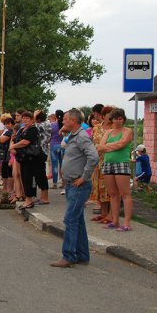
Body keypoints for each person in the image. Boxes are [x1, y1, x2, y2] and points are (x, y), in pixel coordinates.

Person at [50, 108, 99, 268]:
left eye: (65, 119)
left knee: (70, 219)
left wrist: (84, 177)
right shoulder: (73, 135)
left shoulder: (82, 137)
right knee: (77, 220)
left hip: (79, 185)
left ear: (73, 121)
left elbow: (94, 157)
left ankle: (68, 256)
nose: (62, 122)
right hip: (72, 184)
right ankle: (82, 255)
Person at [97, 108, 133, 231]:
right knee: (112, 194)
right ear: (112, 120)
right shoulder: (108, 132)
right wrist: (112, 146)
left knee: (125, 193)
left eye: (120, 118)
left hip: (121, 163)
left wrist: (107, 147)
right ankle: (115, 220)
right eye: (116, 118)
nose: (118, 120)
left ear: (123, 119)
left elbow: (122, 144)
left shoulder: (127, 131)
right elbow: (100, 147)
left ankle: (127, 222)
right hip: (108, 164)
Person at [10, 111, 49, 209]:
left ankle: (30, 199)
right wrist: (13, 146)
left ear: (32, 120)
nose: (25, 120)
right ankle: (28, 199)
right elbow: (15, 139)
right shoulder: (21, 129)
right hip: (23, 157)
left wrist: (14, 146)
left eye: (28, 118)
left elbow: (25, 142)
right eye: (24, 118)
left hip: (33, 158)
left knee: (34, 178)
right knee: (25, 178)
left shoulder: (33, 129)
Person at [0, 115, 15, 194]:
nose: (7, 125)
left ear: (12, 124)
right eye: (6, 124)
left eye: (8, 123)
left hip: (9, 154)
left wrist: (1, 139)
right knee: (4, 172)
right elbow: (0, 140)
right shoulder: (7, 132)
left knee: (9, 172)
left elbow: (2, 139)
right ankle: (5, 188)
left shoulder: (10, 131)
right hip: (4, 154)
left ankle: (10, 189)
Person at [49, 110, 65, 189]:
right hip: (62, 145)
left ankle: (55, 183)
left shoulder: (52, 125)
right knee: (62, 165)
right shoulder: (64, 125)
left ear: (55, 116)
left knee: (54, 165)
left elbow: (49, 135)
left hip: (53, 145)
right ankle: (63, 182)